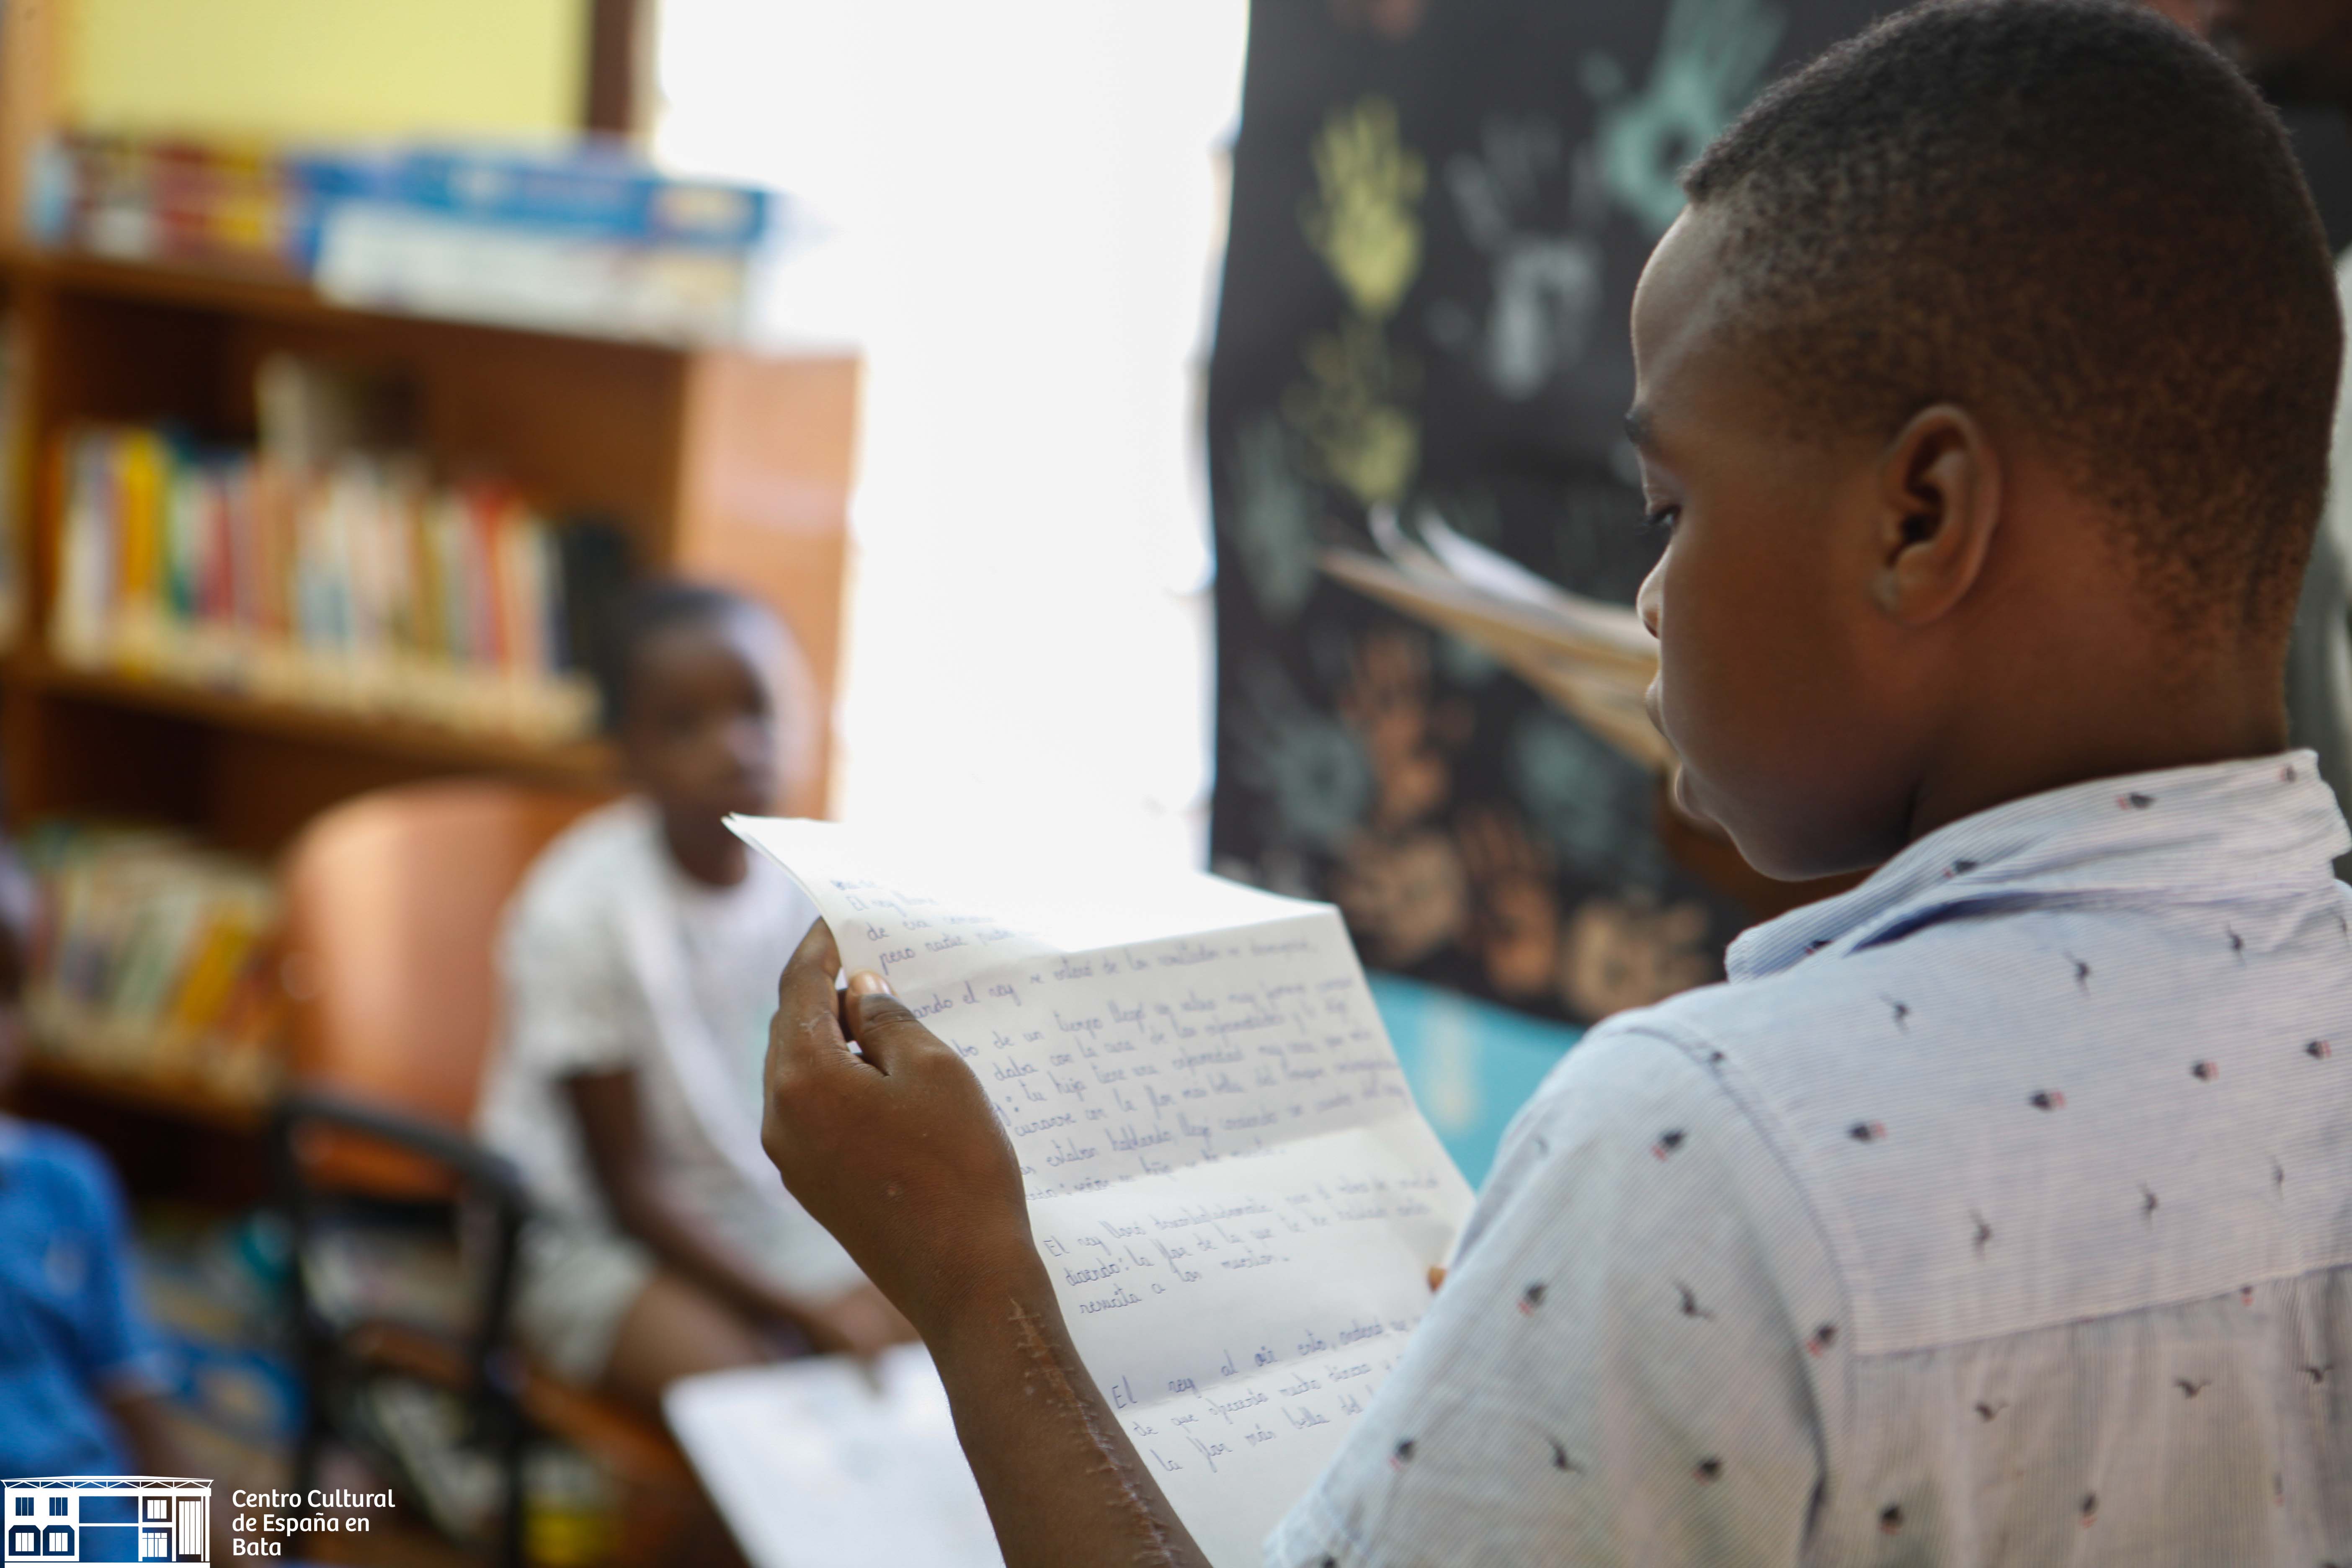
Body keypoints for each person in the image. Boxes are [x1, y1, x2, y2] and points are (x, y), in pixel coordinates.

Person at [753, 2, 2352, 1563]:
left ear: (1919, 516)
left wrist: (979, 1289)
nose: (1648, 601)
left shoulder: (1705, 1149)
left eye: (1668, 507)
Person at [474, 582, 909, 1416]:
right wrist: (800, 1316)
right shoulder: (581, 910)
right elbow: (627, 1189)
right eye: (684, 725)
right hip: (591, 1236)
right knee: (758, 1411)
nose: (736, 747)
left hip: (761, 1211)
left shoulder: (805, 889)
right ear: (625, 753)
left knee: (949, 1335)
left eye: (757, 710)